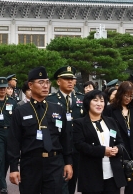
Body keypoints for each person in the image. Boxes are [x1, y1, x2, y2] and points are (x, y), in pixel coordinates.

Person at [7, 66, 73, 194]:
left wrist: (68, 162)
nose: (45, 86)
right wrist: (14, 168)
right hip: (31, 164)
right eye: (41, 82)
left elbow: (65, 137)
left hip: (54, 163)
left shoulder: (57, 109)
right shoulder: (20, 111)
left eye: (47, 82)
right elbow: (14, 141)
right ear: (30, 85)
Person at [74, 90, 126, 194]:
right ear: (88, 102)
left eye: (102, 101)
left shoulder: (111, 121)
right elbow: (80, 145)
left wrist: (118, 149)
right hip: (92, 175)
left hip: (113, 174)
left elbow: (120, 141)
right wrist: (103, 151)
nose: (99, 104)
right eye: (95, 100)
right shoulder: (79, 123)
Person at [46, 65, 85, 194]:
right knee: (59, 181)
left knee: (72, 180)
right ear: (58, 81)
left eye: (72, 79)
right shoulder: (50, 100)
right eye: (66, 79)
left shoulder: (82, 99)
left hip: (77, 147)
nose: (70, 81)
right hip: (58, 147)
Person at [104, 81, 133, 194]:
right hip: (118, 149)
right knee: (116, 183)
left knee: (131, 184)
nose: (128, 98)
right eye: (126, 95)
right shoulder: (110, 109)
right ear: (120, 93)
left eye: (131, 96)